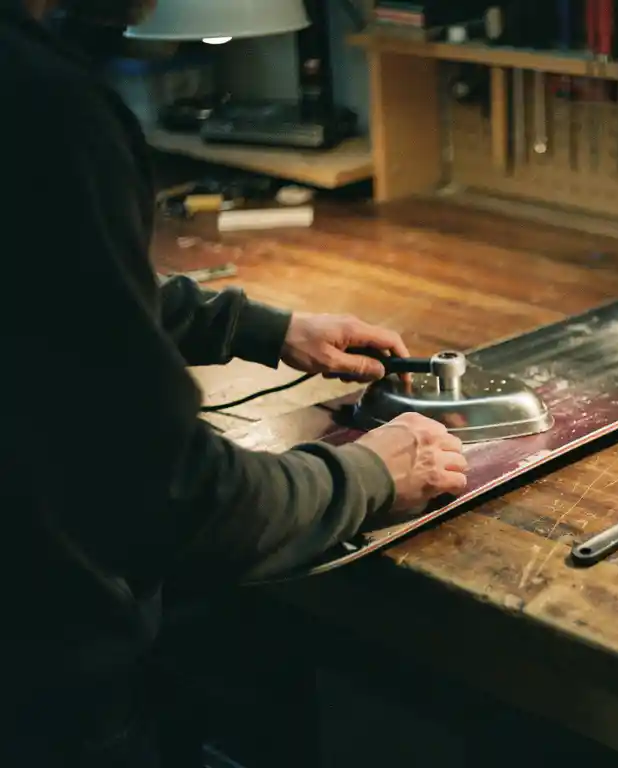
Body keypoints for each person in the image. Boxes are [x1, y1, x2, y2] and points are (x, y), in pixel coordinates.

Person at [1, 0, 469, 764]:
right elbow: (170, 497)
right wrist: (365, 474)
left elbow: (41, 286)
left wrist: (262, 328)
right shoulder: (46, 112)